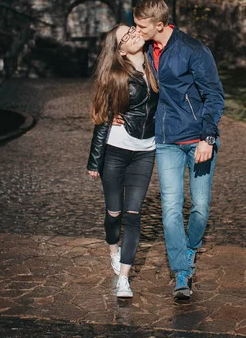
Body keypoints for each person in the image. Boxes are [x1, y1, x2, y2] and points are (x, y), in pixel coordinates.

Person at [133, 0, 224, 300]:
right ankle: (181, 272)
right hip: (167, 140)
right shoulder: (145, 49)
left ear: (160, 25)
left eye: (141, 26)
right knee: (170, 208)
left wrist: (207, 138)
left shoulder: (193, 50)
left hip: (198, 138)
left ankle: (190, 249)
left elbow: (214, 96)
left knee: (199, 207)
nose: (137, 30)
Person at [87, 24, 158, 298]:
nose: (133, 34)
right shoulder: (117, 76)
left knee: (133, 215)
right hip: (116, 152)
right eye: (125, 36)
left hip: (145, 151)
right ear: (119, 50)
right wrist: (95, 161)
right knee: (114, 214)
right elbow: (102, 119)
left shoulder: (155, 65)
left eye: (132, 29)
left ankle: (124, 279)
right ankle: (113, 249)